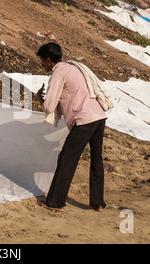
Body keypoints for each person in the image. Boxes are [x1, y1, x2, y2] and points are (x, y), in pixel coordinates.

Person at [35, 42, 108, 212]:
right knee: (96, 159)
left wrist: (40, 98)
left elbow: (49, 106)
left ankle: (55, 202)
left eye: (42, 62)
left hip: (84, 119)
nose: (42, 65)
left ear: (48, 60)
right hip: (99, 116)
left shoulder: (58, 73)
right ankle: (98, 203)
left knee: (67, 159)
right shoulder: (73, 68)